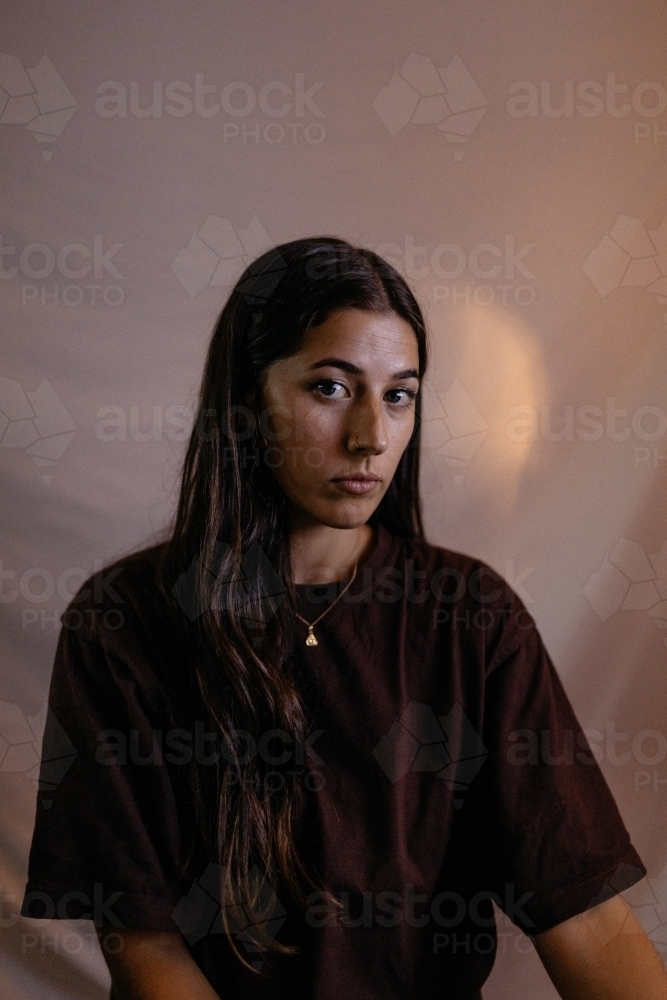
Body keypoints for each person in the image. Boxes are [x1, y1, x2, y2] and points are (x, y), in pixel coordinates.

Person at [21, 238, 667, 1000]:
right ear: (245, 396)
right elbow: (147, 950)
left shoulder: (471, 616)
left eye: (399, 395)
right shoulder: (122, 623)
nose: (371, 437)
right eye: (330, 388)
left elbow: (585, 915)